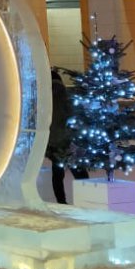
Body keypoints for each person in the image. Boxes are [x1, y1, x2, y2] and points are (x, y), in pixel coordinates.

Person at [46, 67, 87, 204]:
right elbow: (74, 116)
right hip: (68, 142)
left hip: (54, 144)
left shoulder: (45, 98)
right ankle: (85, 199)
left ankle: (61, 202)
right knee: (80, 173)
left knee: (57, 175)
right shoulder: (67, 95)